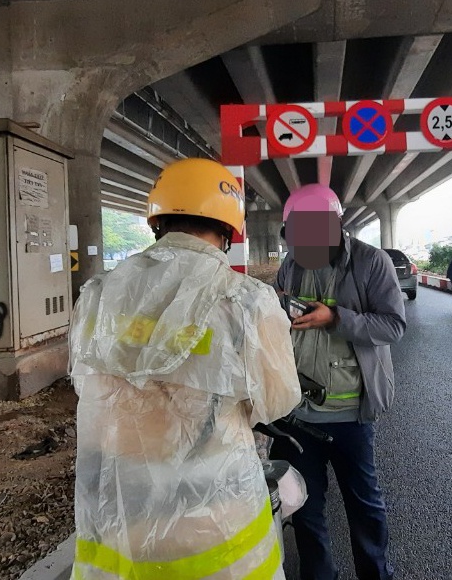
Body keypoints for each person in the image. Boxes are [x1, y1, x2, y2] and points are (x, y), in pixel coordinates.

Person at [68, 158, 302, 580]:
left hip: (120, 513)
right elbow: (278, 401)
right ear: (230, 229)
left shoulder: (96, 295)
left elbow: (87, 386)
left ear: (158, 219)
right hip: (215, 519)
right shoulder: (246, 301)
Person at [271, 183, 406, 580]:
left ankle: (376, 574)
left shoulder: (370, 262)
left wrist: (335, 318)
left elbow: (393, 326)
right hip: (298, 415)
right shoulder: (291, 264)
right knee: (306, 510)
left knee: (363, 505)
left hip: (350, 415)